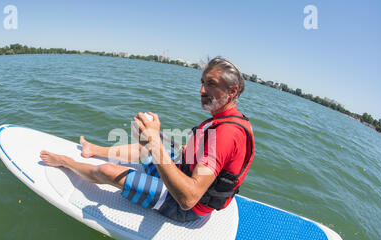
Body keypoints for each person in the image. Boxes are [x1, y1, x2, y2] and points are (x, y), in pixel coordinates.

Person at [40, 57, 254, 222]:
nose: (201, 90)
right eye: (202, 82)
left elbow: (188, 199)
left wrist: (154, 140)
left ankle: (66, 162)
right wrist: (154, 144)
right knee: (145, 149)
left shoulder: (226, 133)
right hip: (182, 171)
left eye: (211, 84)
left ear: (232, 90)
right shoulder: (230, 120)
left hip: (183, 207)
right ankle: (93, 149)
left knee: (108, 171)